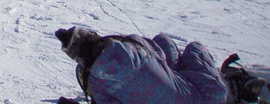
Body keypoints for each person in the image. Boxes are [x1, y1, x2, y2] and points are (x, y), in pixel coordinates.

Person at [54, 26, 238, 104]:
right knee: (191, 47)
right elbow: (159, 53)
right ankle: (224, 80)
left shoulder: (94, 82)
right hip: (202, 95)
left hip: (193, 92)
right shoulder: (131, 43)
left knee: (165, 46)